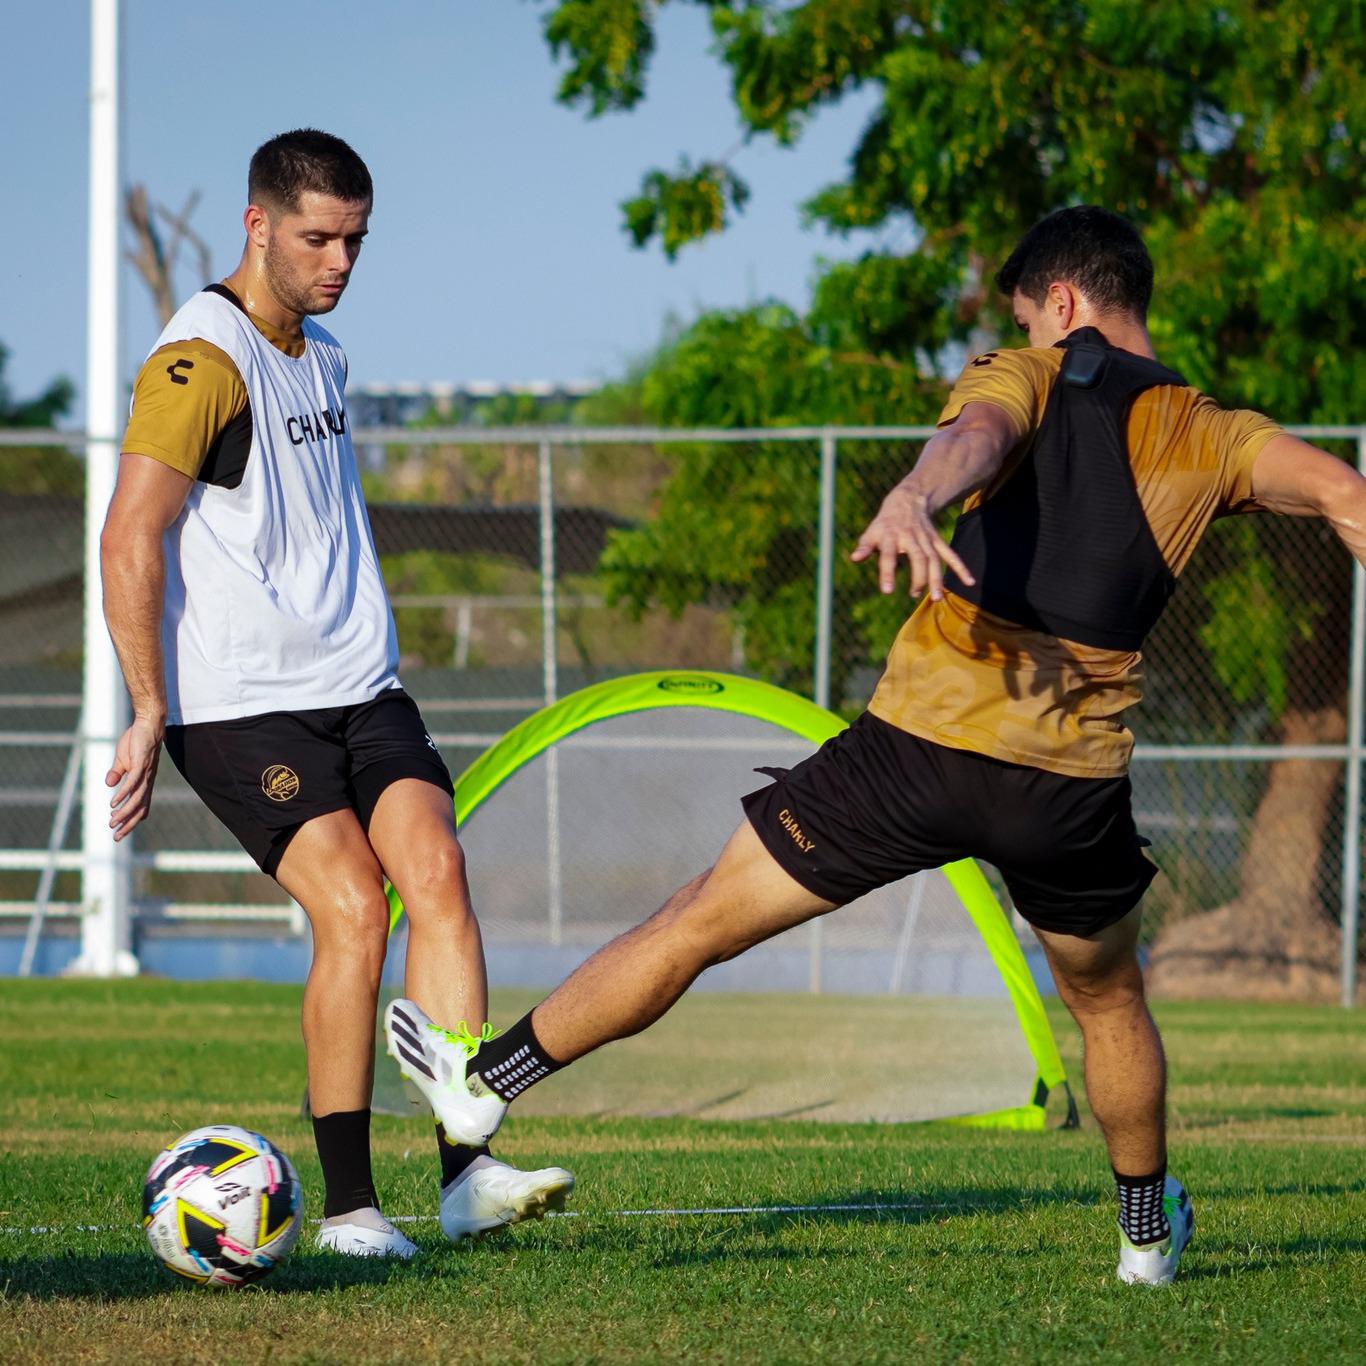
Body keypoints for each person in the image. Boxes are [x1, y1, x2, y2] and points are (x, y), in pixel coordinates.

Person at [384, 205, 1366, 1285]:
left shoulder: (1028, 370)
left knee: (700, 917)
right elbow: (1343, 494)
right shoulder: (1217, 434)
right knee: (1107, 998)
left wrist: (912, 493)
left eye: (1031, 317)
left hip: (919, 750)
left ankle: (493, 1080)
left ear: (1065, 304)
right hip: (1067, 786)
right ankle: (1143, 1239)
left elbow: (974, 434)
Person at [101, 128, 572, 1257]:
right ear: (257, 223)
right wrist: (148, 705)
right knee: (355, 907)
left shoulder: (326, 352)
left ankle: (466, 1176)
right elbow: (130, 534)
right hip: (240, 704)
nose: (340, 260)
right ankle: (354, 1210)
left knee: (439, 871)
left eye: (355, 238)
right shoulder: (198, 359)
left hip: (362, 683)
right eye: (317, 236)